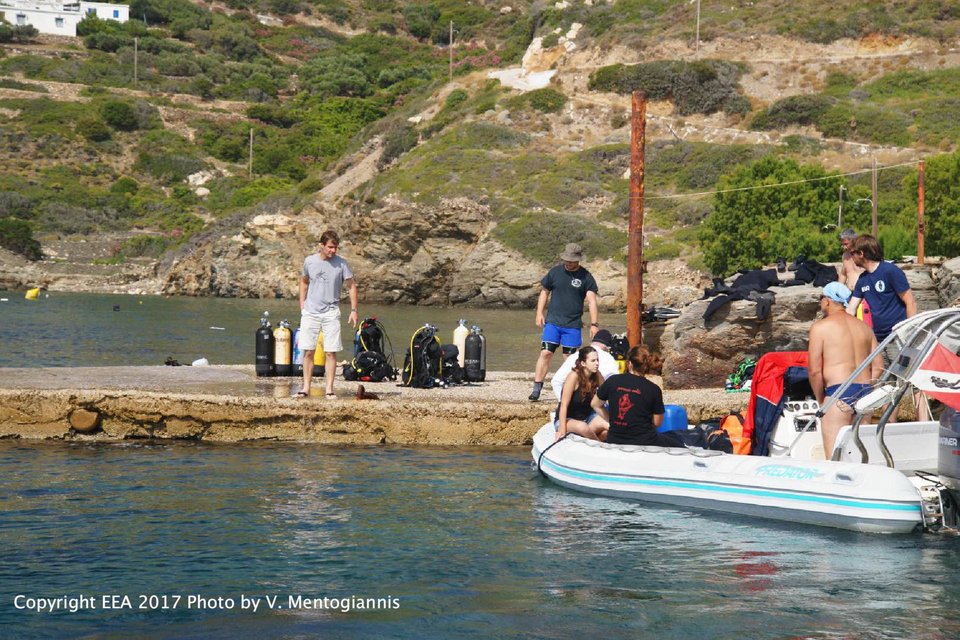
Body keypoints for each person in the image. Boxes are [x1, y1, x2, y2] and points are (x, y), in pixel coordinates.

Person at [808, 282, 883, 456]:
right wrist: (870, 391)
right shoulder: (865, 328)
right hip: (865, 394)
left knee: (835, 460)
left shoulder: (820, 328)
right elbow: (879, 366)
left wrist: (821, 400)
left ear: (827, 300)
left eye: (821, 299)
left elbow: (814, 371)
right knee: (862, 459)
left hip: (838, 392)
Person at [529, 242, 599, 401]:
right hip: (553, 322)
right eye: (566, 259)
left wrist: (594, 324)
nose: (568, 263)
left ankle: (571, 390)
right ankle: (537, 387)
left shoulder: (586, 277)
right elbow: (544, 292)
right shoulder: (555, 272)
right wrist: (539, 313)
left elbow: (592, 301)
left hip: (573, 326)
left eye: (572, 260)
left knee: (570, 360)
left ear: (579, 260)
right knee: (545, 353)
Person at [298, 229, 358, 399]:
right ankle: (305, 388)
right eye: (330, 247)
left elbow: (352, 286)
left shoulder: (342, 264)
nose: (333, 250)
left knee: (331, 352)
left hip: (332, 312)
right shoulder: (310, 261)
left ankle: (329, 389)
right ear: (321, 245)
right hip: (310, 311)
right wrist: (302, 304)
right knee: (308, 351)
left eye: (335, 247)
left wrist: (354, 310)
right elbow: (304, 281)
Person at [590, 345, 681, 447]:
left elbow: (595, 404)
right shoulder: (653, 389)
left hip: (615, 439)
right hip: (645, 441)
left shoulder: (613, 380)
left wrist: (611, 421)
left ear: (629, 364)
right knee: (680, 444)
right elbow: (657, 423)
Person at [845, 234, 917, 342]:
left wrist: (911, 333)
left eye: (852, 253)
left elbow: (910, 302)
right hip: (877, 338)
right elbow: (851, 309)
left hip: (898, 336)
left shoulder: (890, 271)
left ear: (861, 253)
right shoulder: (863, 279)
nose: (851, 257)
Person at [555, 346, 610, 442]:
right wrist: (562, 431)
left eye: (597, 360)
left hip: (588, 418)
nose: (597, 363)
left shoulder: (597, 375)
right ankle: (600, 447)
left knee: (608, 427)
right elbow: (563, 404)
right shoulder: (573, 376)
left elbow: (608, 396)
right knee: (583, 427)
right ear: (583, 363)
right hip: (567, 420)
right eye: (593, 361)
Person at [550, 328, 620, 399]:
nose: (596, 363)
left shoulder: (576, 355)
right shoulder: (609, 358)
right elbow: (615, 384)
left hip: (575, 403)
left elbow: (556, 381)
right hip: (597, 403)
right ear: (607, 347)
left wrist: (563, 402)